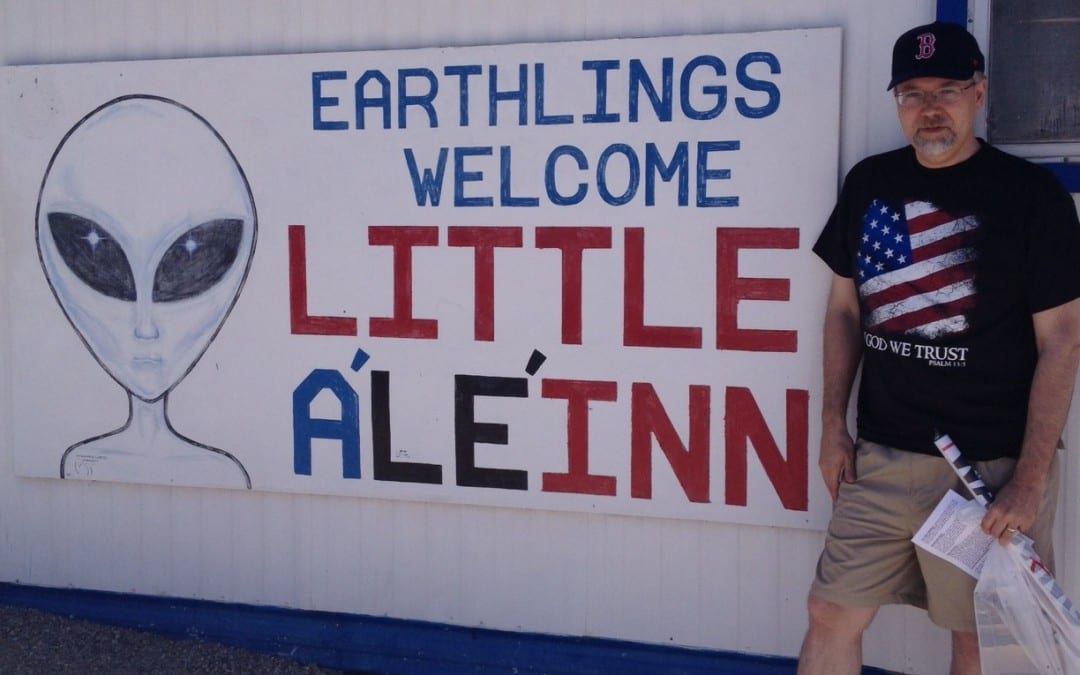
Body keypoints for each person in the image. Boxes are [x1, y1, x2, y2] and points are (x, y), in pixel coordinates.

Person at [797, 20, 1080, 675]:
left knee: (978, 640)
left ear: (978, 94)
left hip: (987, 472)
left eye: (946, 90)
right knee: (830, 611)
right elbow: (843, 309)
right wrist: (831, 424)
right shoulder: (870, 184)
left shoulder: (1032, 199)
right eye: (912, 93)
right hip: (881, 458)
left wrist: (1030, 480)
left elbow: (1063, 342)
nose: (929, 109)